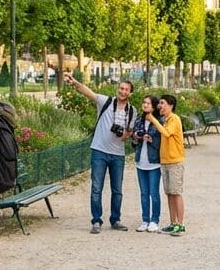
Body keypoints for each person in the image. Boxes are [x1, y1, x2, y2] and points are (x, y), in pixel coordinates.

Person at [64, 73, 135, 233]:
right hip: (99, 151)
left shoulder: (132, 111)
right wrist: (74, 82)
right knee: (96, 188)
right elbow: (87, 92)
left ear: (130, 93)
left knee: (117, 190)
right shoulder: (106, 102)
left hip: (118, 154)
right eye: (121, 88)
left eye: (126, 89)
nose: (122, 91)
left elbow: (129, 132)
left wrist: (125, 135)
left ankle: (115, 219)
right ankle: (96, 220)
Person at [146, 94, 186, 235]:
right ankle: (173, 222)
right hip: (165, 161)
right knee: (169, 193)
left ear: (171, 105)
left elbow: (167, 133)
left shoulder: (174, 119)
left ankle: (180, 224)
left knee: (176, 193)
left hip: (175, 162)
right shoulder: (165, 120)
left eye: (162, 103)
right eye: (160, 103)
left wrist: (152, 119)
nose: (160, 106)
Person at [131, 95, 162, 232]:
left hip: (154, 162)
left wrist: (152, 140)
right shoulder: (139, 120)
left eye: (148, 103)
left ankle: (154, 220)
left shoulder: (159, 121)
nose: (145, 105)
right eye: (144, 102)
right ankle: (145, 219)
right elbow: (133, 141)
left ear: (154, 106)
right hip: (140, 161)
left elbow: (162, 141)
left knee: (154, 193)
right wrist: (136, 137)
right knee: (143, 193)